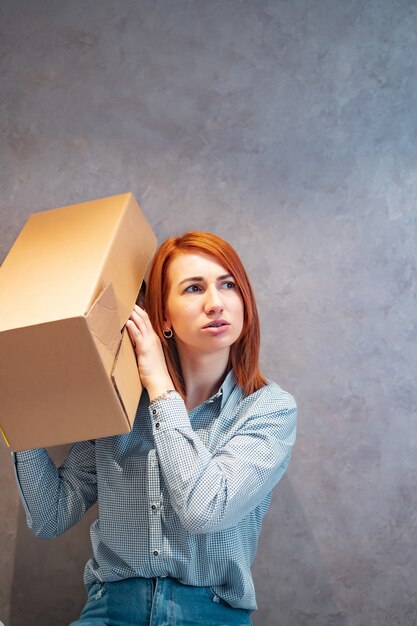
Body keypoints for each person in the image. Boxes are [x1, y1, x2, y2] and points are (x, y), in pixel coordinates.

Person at [13, 231, 297, 625]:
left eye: (228, 284)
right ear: (162, 316)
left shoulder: (268, 409)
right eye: (194, 288)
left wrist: (160, 386)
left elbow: (204, 511)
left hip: (210, 613)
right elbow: (50, 517)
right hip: (111, 610)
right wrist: (16, 413)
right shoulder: (123, 404)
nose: (216, 303)